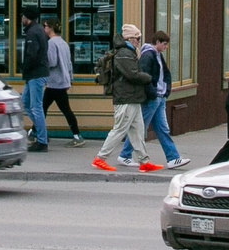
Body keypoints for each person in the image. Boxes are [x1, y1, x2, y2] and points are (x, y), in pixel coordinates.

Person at [91, 25, 152, 172]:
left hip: (132, 97)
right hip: (126, 97)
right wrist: (148, 77)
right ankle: (100, 158)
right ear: (130, 39)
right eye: (137, 38)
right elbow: (132, 74)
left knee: (137, 130)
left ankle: (144, 161)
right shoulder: (124, 53)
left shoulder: (127, 52)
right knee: (119, 129)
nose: (139, 41)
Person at [125, 28, 181, 167]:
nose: (166, 47)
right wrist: (154, 93)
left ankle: (173, 158)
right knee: (141, 127)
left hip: (158, 96)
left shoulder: (156, 54)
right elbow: (145, 77)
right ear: (157, 42)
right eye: (164, 44)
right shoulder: (149, 55)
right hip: (154, 97)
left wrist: (164, 91)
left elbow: (164, 74)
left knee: (158, 128)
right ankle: (124, 154)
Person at [41, 19, 85, 149]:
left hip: (54, 82)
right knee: (61, 109)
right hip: (63, 80)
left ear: (50, 28)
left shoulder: (51, 43)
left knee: (43, 108)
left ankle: (36, 132)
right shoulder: (64, 43)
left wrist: (43, 65)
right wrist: (69, 78)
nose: (44, 29)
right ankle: (76, 135)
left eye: (45, 26)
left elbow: (52, 62)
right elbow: (69, 63)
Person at [18, 9, 50, 152]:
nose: (21, 18)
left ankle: (42, 140)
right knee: (25, 103)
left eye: (23, 16)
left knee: (35, 107)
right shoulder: (39, 30)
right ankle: (40, 131)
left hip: (35, 74)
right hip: (37, 73)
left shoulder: (32, 33)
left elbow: (32, 54)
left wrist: (24, 68)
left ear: (27, 18)